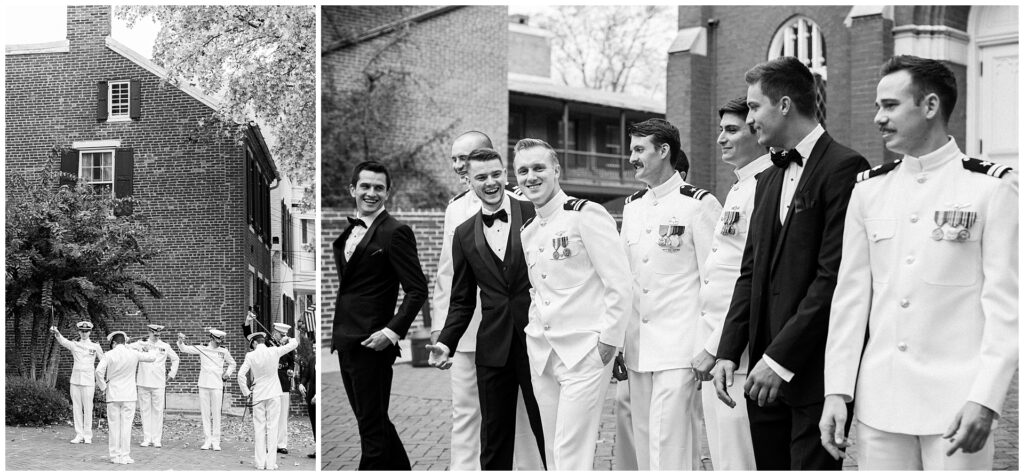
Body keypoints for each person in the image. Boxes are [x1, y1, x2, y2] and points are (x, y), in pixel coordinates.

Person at [819, 55, 1018, 470]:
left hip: (957, 404)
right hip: (881, 402)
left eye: (890, 105)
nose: (878, 117)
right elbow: (850, 299)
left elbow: (1006, 307)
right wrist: (837, 390)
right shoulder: (870, 190)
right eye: (877, 106)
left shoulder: (991, 189)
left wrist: (986, 397)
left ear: (929, 106)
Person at [712, 56, 869, 470]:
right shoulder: (765, 179)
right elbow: (751, 273)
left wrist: (780, 361)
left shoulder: (845, 168)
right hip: (762, 378)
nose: (749, 119)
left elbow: (832, 278)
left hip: (813, 372)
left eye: (753, 107)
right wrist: (730, 350)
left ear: (784, 105)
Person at [514, 138, 632, 470]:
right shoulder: (529, 230)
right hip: (542, 353)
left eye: (538, 168)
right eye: (523, 170)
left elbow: (619, 282)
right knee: (552, 450)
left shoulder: (585, 214)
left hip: (584, 352)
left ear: (556, 170)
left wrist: (608, 342)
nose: (531, 177)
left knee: (571, 452)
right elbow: (539, 291)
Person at [426, 147, 546, 470]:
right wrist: (446, 341)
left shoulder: (534, 212)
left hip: (538, 343)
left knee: (548, 430)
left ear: (505, 174)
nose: (490, 182)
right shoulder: (464, 234)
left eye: (496, 174)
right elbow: (462, 299)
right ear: (469, 181)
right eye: (481, 177)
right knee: (493, 441)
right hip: (492, 351)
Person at [617, 118, 720, 470]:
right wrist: (619, 340)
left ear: (663, 151)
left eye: (638, 149)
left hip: (679, 346)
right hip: (638, 346)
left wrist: (710, 344)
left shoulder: (698, 204)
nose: (631, 157)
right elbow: (626, 279)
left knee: (671, 444)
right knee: (646, 443)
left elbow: (715, 279)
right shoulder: (632, 206)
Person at [331, 160, 428, 470]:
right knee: (373, 422)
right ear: (353, 189)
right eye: (365, 186)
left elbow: (417, 289)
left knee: (371, 432)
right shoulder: (349, 231)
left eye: (378, 188)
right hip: (345, 342)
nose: (371, 193)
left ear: (387, 192)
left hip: (373, 344)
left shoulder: (396, 232)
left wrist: (390, 332)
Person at [689, 97, 770, 470]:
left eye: (732, 130)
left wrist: (718, 345)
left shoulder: (766, 186)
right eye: (721, 130)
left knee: (740, 457)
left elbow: (752, 277)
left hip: (738, 351)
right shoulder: (740, 186)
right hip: (719, 349)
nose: (722, 138)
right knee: (722, 456)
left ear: (758, 131)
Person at [238, 326, 301, 470]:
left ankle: (260, 463)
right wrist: (287, 339)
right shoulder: (274, 351)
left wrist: (247, 392)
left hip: (258, 395)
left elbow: (240, 376)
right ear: (263, 341)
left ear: (254, 343)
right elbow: (294, 343)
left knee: (259, 428)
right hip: (274, 394)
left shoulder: (250, 356)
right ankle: (271, 464)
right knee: (273, 427)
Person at [95, 331, 159, 464]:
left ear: (113, 342)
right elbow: (152, 357)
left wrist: (103, 387)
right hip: (129, 394)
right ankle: (125, 455)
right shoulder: (133, 353)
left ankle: (114, 456)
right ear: (124, 342)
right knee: (126, 427)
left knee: (114, 426)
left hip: (113, 394)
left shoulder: (109, 354)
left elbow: (98, 371)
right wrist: (149, 348)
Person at [177, 328, 236, 451]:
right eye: (217, 339)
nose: (219, 342)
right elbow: (184, 349)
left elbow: (232, 363)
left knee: (216, 414)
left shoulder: (223, 351)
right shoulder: (202, 348)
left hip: (217, 385)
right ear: (211, 338)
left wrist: (227, 373)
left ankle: (216, 441)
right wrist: (181, 341)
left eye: (220, 340)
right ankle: (207, 440)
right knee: (205, 414)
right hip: (204, 384)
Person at [50, 321, 104, 444]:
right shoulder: (74, 344)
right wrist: (57, 332)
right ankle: (79, 434)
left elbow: (104, 361)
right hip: (75, 380)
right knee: (77, 408)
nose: (84, 333)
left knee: (88, 408)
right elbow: (63, 341)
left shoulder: (95, 346)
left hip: (88, 381)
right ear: (79, 332)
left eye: (86, 331)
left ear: (90, 332)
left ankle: (88, 435)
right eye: (82, 331)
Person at [130, 324, 179, 448]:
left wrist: (172, 374)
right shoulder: (140, 344)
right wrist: (125, 341)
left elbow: (175, 359)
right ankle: (147, 438)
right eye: (154, 333)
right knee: (145, 411)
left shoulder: (165, 346)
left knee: (157, 411)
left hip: (158, 383)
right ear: (149, 332)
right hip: (143, 381)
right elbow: (125, 348)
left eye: (158, 334)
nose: (156, 336)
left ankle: (157, 439)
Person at [298, 341, 316, 459]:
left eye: (316, 346)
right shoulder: (312, 359)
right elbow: (306, 375)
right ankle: (316, 446)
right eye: (313, 346)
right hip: (311, 395)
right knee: (313, 421)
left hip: (317, 394)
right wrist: (301, 384)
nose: (314, 348)